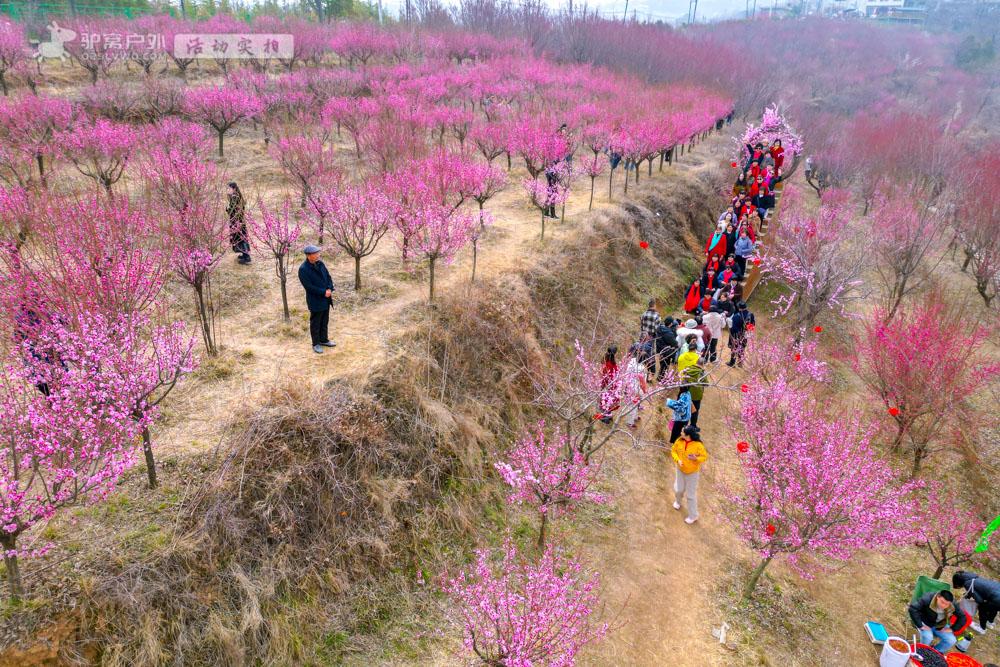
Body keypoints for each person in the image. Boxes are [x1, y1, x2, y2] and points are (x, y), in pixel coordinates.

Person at [298, 245, 336, 354]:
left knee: (325, 321)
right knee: (315, 323)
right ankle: (316, 343)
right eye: (316, 253)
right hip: (316, 300)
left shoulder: (320, 263)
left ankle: (324, 339)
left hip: (326, 298)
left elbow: (328, 277)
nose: (318, 255)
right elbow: (309, 287)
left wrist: (329, 288)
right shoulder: (303, 269)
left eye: (318, 253)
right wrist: (323, 292)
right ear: (309, 256)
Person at [908, 590, 971, 654]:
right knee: (928, 638)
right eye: (942, 602)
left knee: (951, 640)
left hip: (940, 625)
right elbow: (913, 608)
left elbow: (962, 617)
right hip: (925, 622)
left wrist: (952, 629)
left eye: (946, 604)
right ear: (938, 597)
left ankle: (935, 652)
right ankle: (921, 652)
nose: (943, 605)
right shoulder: (928, 598)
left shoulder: (952, 604)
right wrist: (920, 625)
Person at [671, 425, 707, 525]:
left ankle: (693, 516)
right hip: (680, 470)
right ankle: (678, 502)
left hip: (692, 473)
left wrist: (696, 459)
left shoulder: (698, 445)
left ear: (688, 435)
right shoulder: (679, 440)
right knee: (679, 489)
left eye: (683, 432)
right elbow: (673, 451)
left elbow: (704, 457)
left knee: (690, 495)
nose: (681, 433)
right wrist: (677, 460)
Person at [622, 344, 649, 428]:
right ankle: (630, 422)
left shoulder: (632, 361)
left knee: (633, 404)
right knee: (633, 405)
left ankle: (635, 417)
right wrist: (645, 391)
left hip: (628, 384)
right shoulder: (642, 368)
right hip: (636, 388)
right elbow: (642, 383)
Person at [227, 182, 251, 265]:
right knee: (241, 237)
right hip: (239, 221)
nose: (227, 190)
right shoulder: (237, 196)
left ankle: (247, 257)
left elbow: (232, 210)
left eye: (229, 188)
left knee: (241, 237)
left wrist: (227, 209)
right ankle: (244, 255)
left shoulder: (234, 197)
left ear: (234, 189)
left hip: (237, 222)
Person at [727, 301, 755, 367]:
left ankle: (732, 362)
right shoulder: (751, 315)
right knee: (742, 348)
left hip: (736, 335)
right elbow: (752, 325)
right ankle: (740, 362)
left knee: (734, 348)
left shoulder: (736, 316)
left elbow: (733, 327)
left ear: (739, 308)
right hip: (745, 334)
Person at [599, 345, 619, 424]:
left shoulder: (605, 360)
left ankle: (607, 417)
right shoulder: (612, 363)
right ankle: (607, 417)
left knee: (605, 400)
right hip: (610, 384)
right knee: (608, 400)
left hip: (606, 383)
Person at [682, 361, 707, 426]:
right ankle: (693, 426)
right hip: (697, 396)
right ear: (703, 365)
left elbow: (683, 381)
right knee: (695, 411)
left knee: (686, 410)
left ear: (696, 362)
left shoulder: (688, 369)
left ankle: (684, 425)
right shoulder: (702, 373)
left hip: (687, 394)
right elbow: (706, 384)